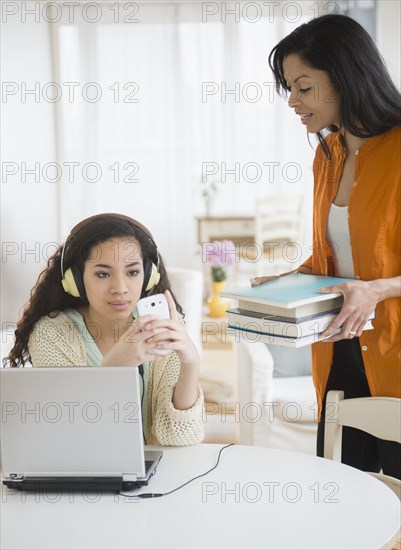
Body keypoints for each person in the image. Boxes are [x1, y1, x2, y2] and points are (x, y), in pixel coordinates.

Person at [253, 14, 401, 477]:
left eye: (303, 86)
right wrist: (290, 279)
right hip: (339, 343)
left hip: (394, 350)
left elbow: (374, 272)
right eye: (288, 89)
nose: (293, 101)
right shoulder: (329, 155)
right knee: (342, 489)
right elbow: (335, 255)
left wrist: (377, 291)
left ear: (345, 77)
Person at [7, 213, 205, 447]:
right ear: (76, 280)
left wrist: (191, 363)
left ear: (149, 276)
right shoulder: (53, 334)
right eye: (102, 274)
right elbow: (69, 437)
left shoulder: (161, 326)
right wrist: (112, 369)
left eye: (132, 272)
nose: (120, 288)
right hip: (85, 474)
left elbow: (178, 436)